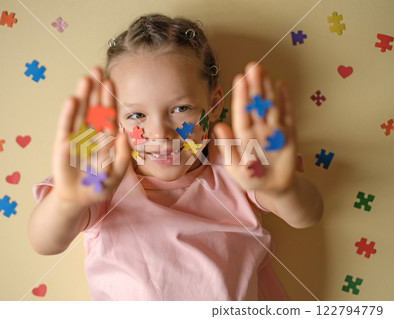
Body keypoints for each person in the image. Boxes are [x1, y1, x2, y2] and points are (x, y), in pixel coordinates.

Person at [29, 13, 323, 300]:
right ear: (114, 117)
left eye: (181, 109)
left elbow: (307, 215)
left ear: (215, 102)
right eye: (136, 115)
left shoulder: (238, 163)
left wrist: (281, 188)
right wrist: (68, 202)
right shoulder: (98, 178)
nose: (160, 133)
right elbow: (45, 243)